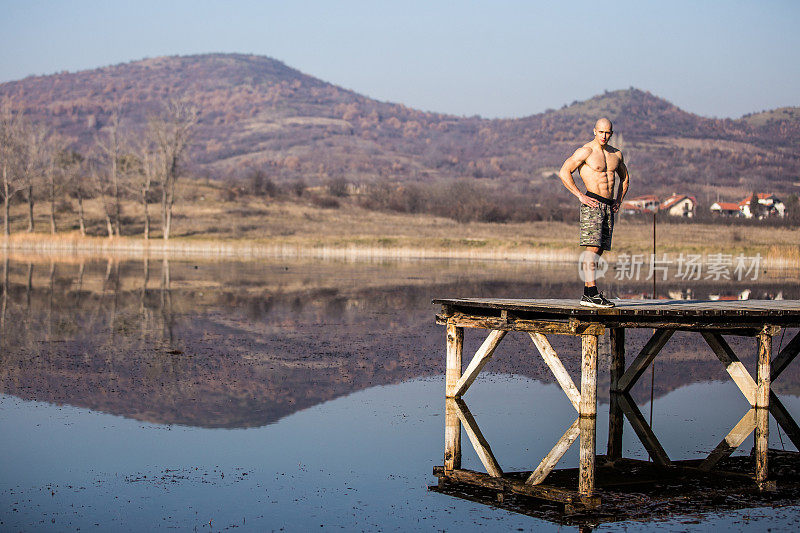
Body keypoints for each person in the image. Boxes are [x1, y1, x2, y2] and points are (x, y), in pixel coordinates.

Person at [558, 118, 630, 308]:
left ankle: (590, 292)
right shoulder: (586, 151)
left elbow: (625, 178)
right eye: (601, 132)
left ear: (611, 133)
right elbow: (564, 172)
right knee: (591, 248)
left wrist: (619, 201)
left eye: (608, 133)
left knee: (598, 250)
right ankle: (590, 293)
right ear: (594, 131)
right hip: (592, 202)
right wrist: (580, 196)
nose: (604, 136)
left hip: (608, 206)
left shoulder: (616, 154)